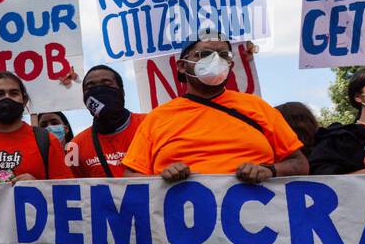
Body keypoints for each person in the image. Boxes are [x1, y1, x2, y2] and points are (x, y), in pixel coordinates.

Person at [121, 32, 309, 183]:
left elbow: (300, 163)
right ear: (182, 66)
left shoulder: (258, 107)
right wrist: (160, 179)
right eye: (204, 54)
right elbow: (129, 176)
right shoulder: (157, 117)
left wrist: (269, 170)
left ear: (230, 64)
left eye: (223, 55)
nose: (215, 60)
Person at [69, 65, 146, 178]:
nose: (99, 89)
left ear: (122, 92)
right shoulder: (73, 147)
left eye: (107, 83)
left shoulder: (150, 124)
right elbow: (69, 188)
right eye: (90, 86)